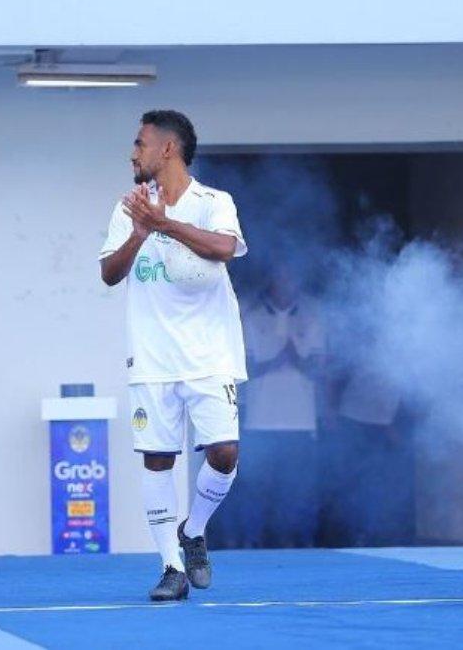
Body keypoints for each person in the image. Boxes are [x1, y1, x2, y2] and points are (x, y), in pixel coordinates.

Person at [99, 110, 248, 601]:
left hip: (210, 354)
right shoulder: (128, 208)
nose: (132, 153)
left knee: (224, 453)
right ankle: (170, 567)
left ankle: (195, 529)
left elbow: (225, 247)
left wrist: (165, 223)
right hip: (152, 356)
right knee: (158, 460)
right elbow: (109, 273)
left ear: (167, 149)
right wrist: (141, 232)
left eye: (140, 143)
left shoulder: (213, 201)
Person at [213, 268, 324, 548]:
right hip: (260, 422)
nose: (287, 285)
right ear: (272, 282)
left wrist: (296, 359)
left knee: (299, 491)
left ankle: (301, 546)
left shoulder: (312, 318)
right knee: (255, 490)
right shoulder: (251, 317)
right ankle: (251, 545)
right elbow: (239, 367)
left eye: (292, 279)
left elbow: (319, 369)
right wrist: (274, 361)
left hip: (301, 423)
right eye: (282, 278)